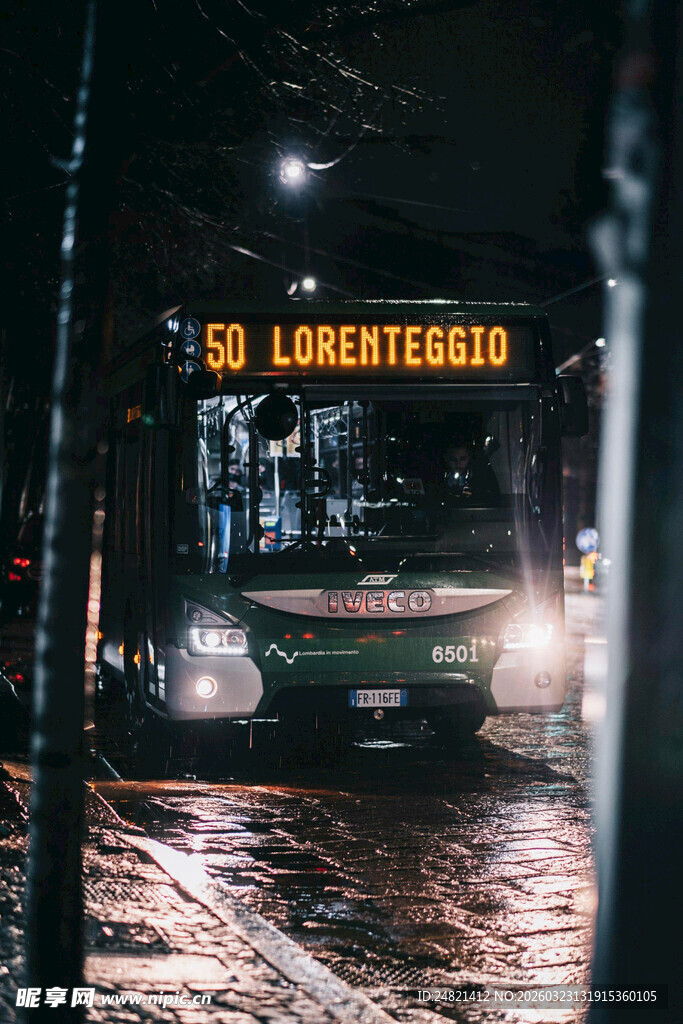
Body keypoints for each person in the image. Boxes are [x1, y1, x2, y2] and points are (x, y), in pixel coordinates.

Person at [440, 441, 500, 505]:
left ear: (468, 458)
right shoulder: (440, 479)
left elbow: (494, 498)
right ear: (446, 459)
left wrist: (475, 495)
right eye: (453, 459)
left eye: (462, 459)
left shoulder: (480, 477)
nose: (458, 464)